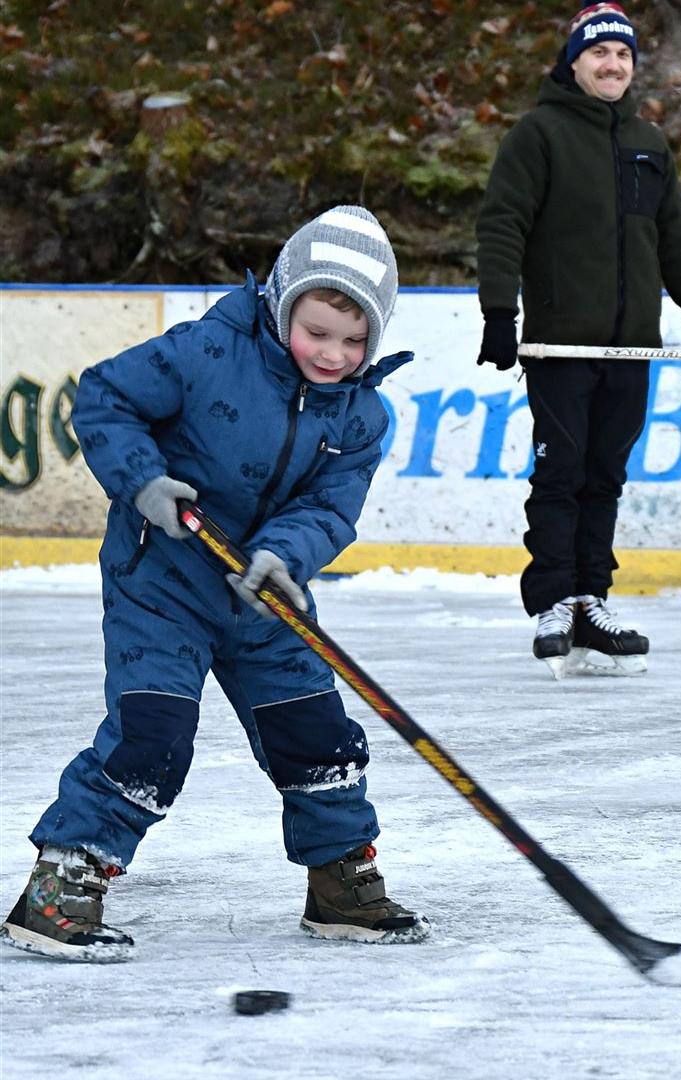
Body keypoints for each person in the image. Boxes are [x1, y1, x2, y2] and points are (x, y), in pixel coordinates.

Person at [1, 206, 429, 961]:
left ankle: (340, 883)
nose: (333, 354)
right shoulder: (208, 349)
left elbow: (331, 508)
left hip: (263, 596)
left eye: (355, 339)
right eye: (317, 331)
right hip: (161, 579)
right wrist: (143, 483)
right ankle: (61, 885)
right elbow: (104, 397)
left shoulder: (363, 415)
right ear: (281, 303)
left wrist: (283, 556)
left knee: (317, 735)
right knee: (154, 735)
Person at [475, 0, 681, 675]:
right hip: (562, 347)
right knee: (560, 475)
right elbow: (502, 226)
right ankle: (553, 602)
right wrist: (499, 315)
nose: (612, 64)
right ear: (573, 61)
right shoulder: (538, 136)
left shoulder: (649, 145)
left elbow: (677, 247)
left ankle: (591, 601)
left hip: (633, 348)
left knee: (604, 477)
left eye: (623, 55)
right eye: (599, 52)